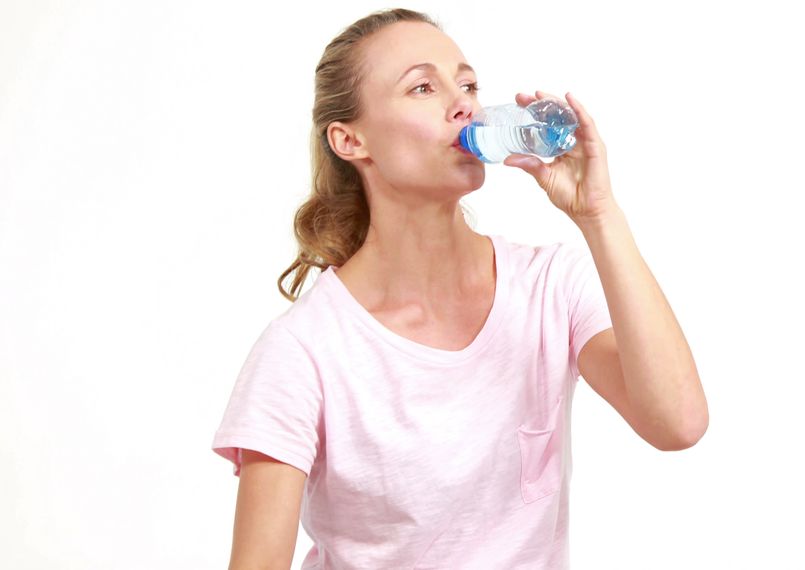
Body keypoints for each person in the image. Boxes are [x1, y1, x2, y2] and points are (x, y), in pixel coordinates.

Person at [211, 8, 708, 569]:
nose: (464, 103)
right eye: (423, 86)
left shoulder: (549, 288)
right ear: (350, 140)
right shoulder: (304, 352)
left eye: (468, 84)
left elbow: (678, 423)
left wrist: (599, 215)